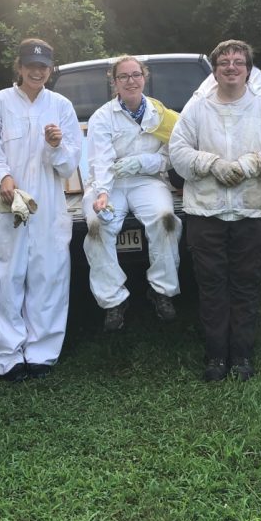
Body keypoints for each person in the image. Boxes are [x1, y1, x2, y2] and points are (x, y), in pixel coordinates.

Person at [169, 40, 261, 381]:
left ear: (249, 69)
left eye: (238, 62)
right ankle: (215, 357)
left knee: (245, 285)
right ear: (215, 69)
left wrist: (251, 164)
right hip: (206, 212)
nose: (231, 67)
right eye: (224, 62)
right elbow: (177, 150)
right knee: (211, 286)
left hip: (252, 213)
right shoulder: (198, 107)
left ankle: (241, 355)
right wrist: (209, 164)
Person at [0, 38, 81, 381]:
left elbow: (72, 164)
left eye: (43, 66)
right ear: (18, 67)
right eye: (30, 65)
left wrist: (56, 146)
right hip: (8, 203)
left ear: (50, 69)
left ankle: (41, 353)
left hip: (47, 206)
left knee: (48, 276)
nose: (37, 71)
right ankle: (8, 356)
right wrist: (2, 175)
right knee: (9, 276)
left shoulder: (61, 105)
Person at [83, 56, 181, 331]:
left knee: (166, 220)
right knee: (96, 226)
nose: (130, 81)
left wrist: (147, 162)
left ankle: (162, 291)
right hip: (109, 183)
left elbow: (171, 154)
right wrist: (101, 193)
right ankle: (114, 300)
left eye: (135, 75)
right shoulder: (102, 117)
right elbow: (99, 160)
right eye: (123, 76)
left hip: (147, 181)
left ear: (144, 77)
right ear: (114, 82)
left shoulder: (161, 115)